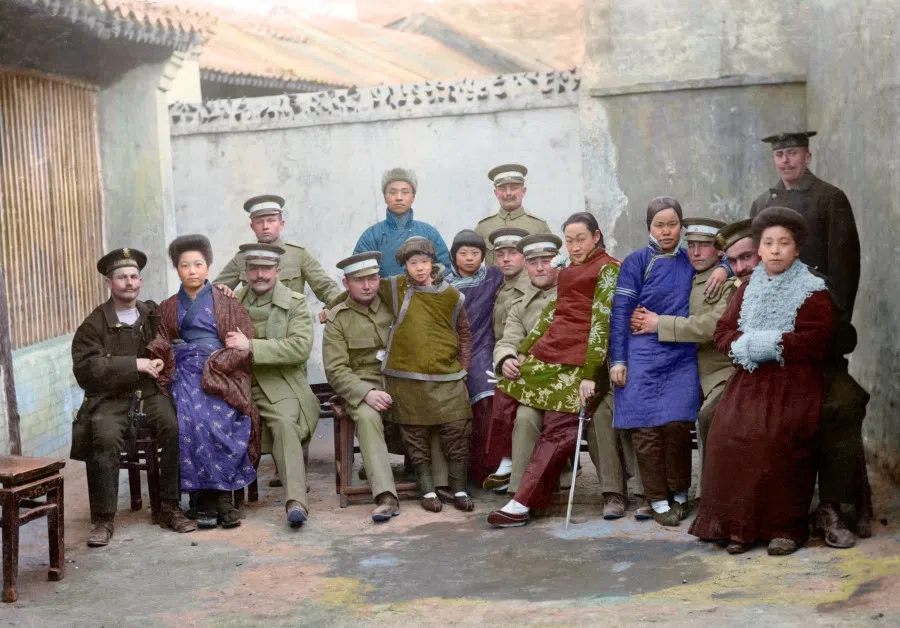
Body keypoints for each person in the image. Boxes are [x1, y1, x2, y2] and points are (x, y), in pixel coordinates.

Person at [690, 207, 835, 556]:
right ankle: (738, 526)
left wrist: (774, 343)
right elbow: (723, 330)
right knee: (728, 431)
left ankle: (783, 527)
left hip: (794, 379)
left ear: (796, 249)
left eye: (783, 243)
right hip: (750, 377)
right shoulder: (748, 288)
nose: (775, 250)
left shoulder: (812, 290)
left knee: (776, 436)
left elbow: (819, 339)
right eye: (768, 243)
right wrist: (742, 346)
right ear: (760, 249)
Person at [750, 132, 870, 548]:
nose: (785, 161)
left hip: (820, 331)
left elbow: (845, 267)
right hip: (772, 341)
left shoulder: (830, 199)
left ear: (807, 155)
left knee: (837, 407)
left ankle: (841, 506)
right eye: (779, 154)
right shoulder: (763, 204)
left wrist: (831, 325)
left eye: (792, 153)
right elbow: (751, 263)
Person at [487, 213, 620, 528]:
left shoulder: (608, 268)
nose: (575, 246)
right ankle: (509, 469)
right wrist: (521, 354)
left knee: (561, 426)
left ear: (596, 237)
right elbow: (552, 316)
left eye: (581, 239)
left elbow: (601, 323)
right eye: (570, 240)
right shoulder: (570, 271)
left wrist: (589, 374)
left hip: (584, 363)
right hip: (555, 358)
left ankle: (521, 503)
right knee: (504, 389)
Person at [71, 248, 196, 547]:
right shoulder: (94, 323)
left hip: (148, 393)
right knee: (103, 434)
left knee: (173, 426)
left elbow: (171, 337)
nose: (129, 283)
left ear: (140, 281)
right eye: (121, 277)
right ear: (109, 283)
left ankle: (169, 507)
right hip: (109, 398)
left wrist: (160, 359)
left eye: (133, 277)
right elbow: (86, 369)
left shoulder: (151, 315)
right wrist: (134, 364)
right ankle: (103, 519)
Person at [148, 235, 259, 530]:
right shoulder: (168, 306)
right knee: (189, 417)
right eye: (185, 265)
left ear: (209, 267)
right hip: (182, 370)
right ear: (178, 269)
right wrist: (160, 357)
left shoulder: (226, 302)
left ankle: (220, 496)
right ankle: (205, 498)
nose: (192, 270)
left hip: (221, 371)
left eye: (198, 264)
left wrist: (223, 359)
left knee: (222, 417)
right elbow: (160, 341)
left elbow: (243, 343)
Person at [609, 197, 700, 527]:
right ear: (649, 227)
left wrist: (723, 267)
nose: (666, 231)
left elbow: (729, 262)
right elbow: (620, 313)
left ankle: (679, 493)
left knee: (677, 424)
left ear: (681, 226)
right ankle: (657, 498)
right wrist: (618, 360)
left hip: (680, 353)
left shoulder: (692, 260)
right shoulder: (636, 262)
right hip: (642, 353)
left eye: (672, 224)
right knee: (646, 429)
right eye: (659, 225)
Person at [629, 217, 739, 488]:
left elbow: (713, 325)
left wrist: (659, 324)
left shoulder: (727, 283)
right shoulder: (679, 268)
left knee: (709, 415)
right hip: (676, 367)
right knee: (646, 410)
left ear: (720, 250)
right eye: (691, 245)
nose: (697, 253)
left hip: (715, 371)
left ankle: (708, 493)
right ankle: (652, 493)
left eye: (705, 246)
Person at [228, 243, 320, 527]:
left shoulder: (295, 303)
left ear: (277, 271)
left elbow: (299, 348)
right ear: (245, 272)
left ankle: (295, 501)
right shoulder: (232, 301)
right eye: (253, 269)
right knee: (217, 420)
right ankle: (220, 501)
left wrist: (251, 346)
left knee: (284, 424)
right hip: (239, 383)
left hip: (282, 383)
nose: (260, 275)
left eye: (266, 269)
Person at [380, 237, 474, 513]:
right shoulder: (396, 289)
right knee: (415, 435)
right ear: (404, 265)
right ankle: (428, 490)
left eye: (424, 262)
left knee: (457, 430)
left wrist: (463, 367)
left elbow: (465, 333)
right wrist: (330, 309)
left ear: (432, 263)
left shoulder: (451, 296)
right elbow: (361, 289)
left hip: (448, 377)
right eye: (413, 263)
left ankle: (459, 488)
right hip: (407, 379)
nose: (419, 268)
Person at [322, 251, 402, 523]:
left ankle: (436, 486)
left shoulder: (394, 304)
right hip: (361, 385)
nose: (367, 286)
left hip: (399, 378)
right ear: (346, 283)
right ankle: (386, 496)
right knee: (368, 418)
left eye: (372, 278)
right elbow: (335, 370)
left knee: (432, 402)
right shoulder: (338, 318)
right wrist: (366, 393)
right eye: (359, 280)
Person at [482, 234, 559, 493]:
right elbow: (507, 337)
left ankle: (517, 469)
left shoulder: (560, 293)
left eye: (545, 261)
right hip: (527, 374)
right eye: (534, 262)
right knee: (506, 398)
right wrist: (506, 358)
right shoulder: (511, 295)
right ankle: (517, 485)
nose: (539, 268)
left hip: (559, 375)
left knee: (514, 403)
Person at [214, 194, 341, 312]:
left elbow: (326, 287)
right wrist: (222, 293)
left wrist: (332, 309)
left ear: (281, 224)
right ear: (252, 226)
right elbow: (213, 291)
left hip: (290, 324)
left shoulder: (298, 255)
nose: (265, 226)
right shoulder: (242, 257)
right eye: (259, 222)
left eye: (271, 220)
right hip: (252, 325)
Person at [446, 230, 504, 484]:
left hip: (485, 348)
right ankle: (462, 470)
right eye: (463, 253)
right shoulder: (444, 283)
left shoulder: (492, 277)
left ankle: (488, 466)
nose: (469, 258)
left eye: (475, 253)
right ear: (453, 255)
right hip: (452, 348)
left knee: (488, 400)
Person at [353, 168, 451, 277]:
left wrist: (427, 285)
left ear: (413, 197)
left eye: (405, 192)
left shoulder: (428, 232)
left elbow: (446, 267)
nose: (399, 197)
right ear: (385, 197)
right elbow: (358, 273)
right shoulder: (371, 235)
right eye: (393, 192)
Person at [475, 164, 552, 265]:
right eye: (502, 188)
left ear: (523, 191)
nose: (508, 193)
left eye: (514, 187)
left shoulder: (538, 226)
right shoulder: (483, 227)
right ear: (495, 193)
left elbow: (554, 264)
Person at [488, 227, 532, 343]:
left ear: (525, 255)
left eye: (513, 253)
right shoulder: (497, 284)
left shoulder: (532, 287)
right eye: (500, 254)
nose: (506, 259)